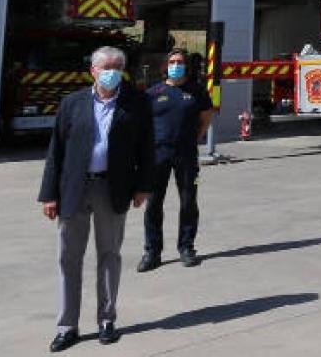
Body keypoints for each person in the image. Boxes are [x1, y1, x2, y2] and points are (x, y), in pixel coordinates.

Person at [38, 46, 154, 351]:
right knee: (68, 258)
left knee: (109, 255)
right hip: (74, 190)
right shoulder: (72, 104)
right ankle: (67, 325)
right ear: (93, 70)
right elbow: (56, 152)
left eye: (118, 67)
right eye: (106, 67)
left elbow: (147, 149)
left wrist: (143, 186)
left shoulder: (137, 103)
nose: (112, 72)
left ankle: (106, 319)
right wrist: (49, 194)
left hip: (112, 189)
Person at [137, 49, 214, 272]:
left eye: (180, 61)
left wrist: (192, 139)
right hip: (158, 155)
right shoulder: (153, 92)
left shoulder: (197, 91)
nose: (176, 64)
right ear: (166, 65)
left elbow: (205, 117)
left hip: (186, 155)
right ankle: (152, 251)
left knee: (188, 201)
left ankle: (187, 248)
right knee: (154, 203)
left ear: (186, 65)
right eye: (172, 61)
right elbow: (144, 124)